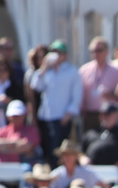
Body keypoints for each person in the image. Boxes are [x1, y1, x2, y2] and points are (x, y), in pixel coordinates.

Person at [29, 40, 83, 168]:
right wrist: (43, 68)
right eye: (53, 52)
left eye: (59, 52)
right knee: (46, 148)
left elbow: (76, 96)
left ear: (65, 55)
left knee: (57, 149)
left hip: (61, 117)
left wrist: (69, 113)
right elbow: (36, 86)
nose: (56, 55)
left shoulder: (72, 72)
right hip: (45, 117)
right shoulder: (47, 70)